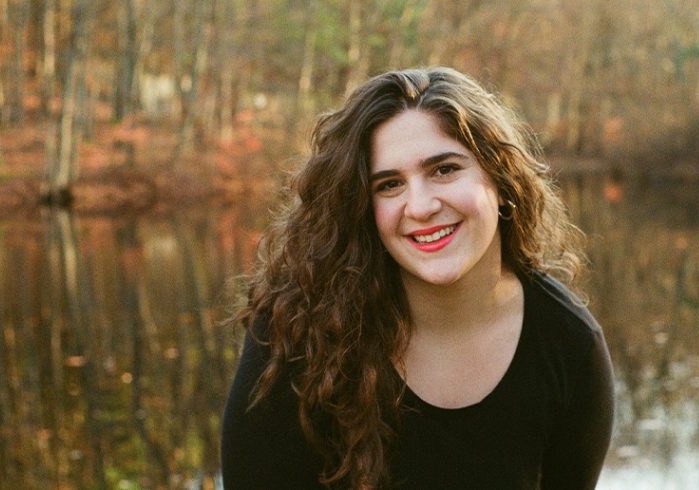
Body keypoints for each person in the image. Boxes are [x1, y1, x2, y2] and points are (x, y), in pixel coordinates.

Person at [220, 67, 614, 489]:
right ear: (363, 209)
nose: (421, 206)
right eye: (389, 184)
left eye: (444, 169)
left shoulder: (569, 345)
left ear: (501, 180)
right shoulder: (297, 333)